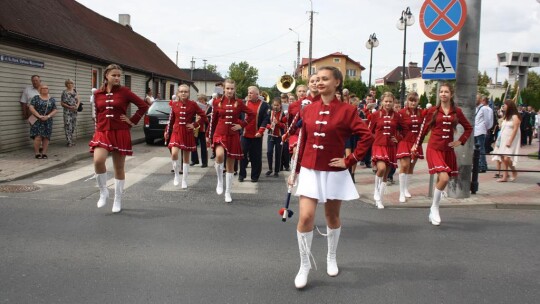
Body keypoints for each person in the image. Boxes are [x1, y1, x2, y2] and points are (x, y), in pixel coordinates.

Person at [289, 66, 373, 289]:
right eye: (318, 79)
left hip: (334, 171)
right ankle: (304, 265)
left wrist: (350, 160)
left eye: (325, 79)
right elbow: (303, 141)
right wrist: (294, 171)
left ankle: (331, 256)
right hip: (309, 168)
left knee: (332, 218)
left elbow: (366, 136)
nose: (320, 82)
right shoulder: (308, 109)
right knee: (305, 217)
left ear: (337, 82)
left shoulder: (348, 111)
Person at [89, 64, 149, 213]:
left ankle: (118, 199)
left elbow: (143, 106)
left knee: (119, 167)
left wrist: (132, 120)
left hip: (120, 131)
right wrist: (96, 128)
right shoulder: (97, 94)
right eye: (114, 75)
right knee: (98, 161)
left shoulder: (125, 92)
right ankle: (103, 191)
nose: (117, 78)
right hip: (102, 131)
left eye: (119, 75)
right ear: (106, 76)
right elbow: (97, 113)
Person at [412, 83, 472, 226]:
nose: (443, 94)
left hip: (448, 150)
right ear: (439, 94)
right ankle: (435, 207)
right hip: (434, 149)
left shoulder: (456, 111)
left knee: (442, 178)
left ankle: (433, 210)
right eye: (441, 92)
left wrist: (460, 141)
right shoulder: (433, 111)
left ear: (451, 94)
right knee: (444, 178)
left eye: (446, 92)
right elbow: (424, 129)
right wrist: (416, 144)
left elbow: (468, 128)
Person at [209, 79, 254, 203]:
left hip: (233, 135)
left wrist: (242, 125)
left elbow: (252, 114)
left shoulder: (239, 103)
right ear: (223, 89)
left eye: (232, 89)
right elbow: (213, 120)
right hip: (220, 133)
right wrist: (209, 135)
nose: (229, 91)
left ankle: (228, 192)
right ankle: (219, 180)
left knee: (230, 166)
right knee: (219, 155)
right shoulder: (216, 102)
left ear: (235, 90)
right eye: (227, 88)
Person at [369, 92, 407, 209]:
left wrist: (398, 138)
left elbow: (405, 130)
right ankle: (376, 190)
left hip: (391, 146)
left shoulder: (397, 116)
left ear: (393, 102)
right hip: (378, 146)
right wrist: (375, 139)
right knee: (381, 168)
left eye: (390, 101)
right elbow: (369, 130)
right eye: (386, 101)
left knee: (386, 175)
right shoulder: (375, 115)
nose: (388, 103)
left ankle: (380, 199)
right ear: (382, 102)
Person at [166, 85, 208, 189]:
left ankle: (184, 180)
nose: (183, 93)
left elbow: (203, 116)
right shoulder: (174, 104)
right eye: (181, 91)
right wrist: (167, 131)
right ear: (178, 93)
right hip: (176, 132)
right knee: (174, 153)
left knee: (186, 158)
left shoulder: (193, 104)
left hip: (187, 132)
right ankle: (176, 175)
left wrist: (194, 125)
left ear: (189, 93)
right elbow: (170, 120)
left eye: (186, 91)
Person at [396, 92, 425, 203]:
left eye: (415, 100)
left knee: (411, 167)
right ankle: (401, 192)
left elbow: (424, 128)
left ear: (418, 101)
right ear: (407, 101)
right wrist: (397, 138)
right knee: (404, 165)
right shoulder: (401, 113)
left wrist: (418, 142)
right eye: (411, 100)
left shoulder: (421, 113)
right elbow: (396, 127)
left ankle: (406, 188)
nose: (413, 102)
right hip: (404, 142)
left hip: (416, 143)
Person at [238, 86, 270, 183]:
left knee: (256, 157)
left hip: (257, 135)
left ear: (257, 94)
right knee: (242, 155)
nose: (249, 94)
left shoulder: (264, 105)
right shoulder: (243, 104)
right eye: (248, 92)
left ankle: (255, 176)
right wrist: (239, 124)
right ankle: (242, 175)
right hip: (244, 134)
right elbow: (239, 116)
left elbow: (266, 119)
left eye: (251, 93)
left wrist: (260, 131)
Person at [28, 84, 58, 159]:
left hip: (48, 121)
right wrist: (38, 115)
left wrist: (48, 116)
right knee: (38, 136)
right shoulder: (35, 98)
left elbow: (55, 109)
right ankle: (37, 153)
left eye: (46, 88)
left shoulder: (52, 99)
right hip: (37, 120)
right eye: (43, 88)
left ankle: (44, 153)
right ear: (40, 90)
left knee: (46, 137)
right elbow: (31, 107)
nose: (45, 89)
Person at [495, 99, 521, 182]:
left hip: (511, 139)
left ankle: (514, 171)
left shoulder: (515, 116)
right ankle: (504, 177)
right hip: (503, 138)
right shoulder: (506, 116)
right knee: (502, 158)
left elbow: (515, 129)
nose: (503, 106)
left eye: (505, 105)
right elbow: (502, 129)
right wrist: (498, 140)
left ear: (509, 106)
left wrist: (510, 140)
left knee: (507, 158)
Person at [265, 97, 287, 177]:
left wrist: (277, 123)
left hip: (279, 136)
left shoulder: (283, 114)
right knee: (269, 152)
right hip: (271, 135)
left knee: (278, 153)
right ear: (272, 105)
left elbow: (284, 126)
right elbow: (266, 122)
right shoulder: (269, 112)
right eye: (274, 105)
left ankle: (276, 171)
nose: (275, 107)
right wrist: (269, 126)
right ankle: (270, 168)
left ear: (280, 105)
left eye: (277, 105)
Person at [474, 94, 494, 173]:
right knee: (476, 149)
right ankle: (479, 164)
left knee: (481, 149)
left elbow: (487, 120)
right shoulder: (476, 108)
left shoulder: (484, 108)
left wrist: (486, 128)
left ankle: (482, 166)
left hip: (480, 131)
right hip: (475, 131)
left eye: (476, 99)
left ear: (479, 100)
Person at [191, 94, 210, 168]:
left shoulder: (209, 107)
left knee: (203, 146)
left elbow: (209, 118)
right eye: (199, 100)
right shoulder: (196, 107)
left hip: (204, 128)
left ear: (205, 100)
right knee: (193, 144)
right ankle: (194, 160)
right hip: (196, 128)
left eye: (202, 100)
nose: (200, 101)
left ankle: (204, 162)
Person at [60, 79, 81, 147]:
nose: (70, 85)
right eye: (68, 83)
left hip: (74, 111)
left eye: (71, 83)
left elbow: (78, 100)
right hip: (67, 111)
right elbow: (62, 103)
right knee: (67, 125)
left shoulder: (75, 91)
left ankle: (71, 139)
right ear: (66, 84)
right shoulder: (64, 92)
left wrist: (77, 106)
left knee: (73, 125)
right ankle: (69, 141)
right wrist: (69, 107)